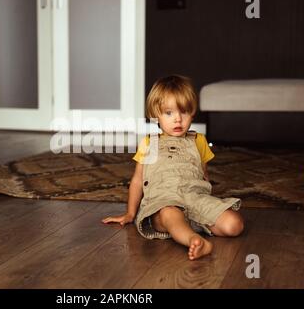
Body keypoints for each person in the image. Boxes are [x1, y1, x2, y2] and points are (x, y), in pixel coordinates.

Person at [102, 75, 244, 260]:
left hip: (194, 198)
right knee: (170, 214)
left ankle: (195, 224)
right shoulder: (149, 143)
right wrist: (130, 213)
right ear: (156, 115)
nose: (178, 119)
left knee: (235, 224)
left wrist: (208, 206)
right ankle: (194, 240)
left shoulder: (198, 140)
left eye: (183, 112)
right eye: (169, 113)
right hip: (163, 202)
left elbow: (203, 175)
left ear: (192, 113)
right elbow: (137, 181)